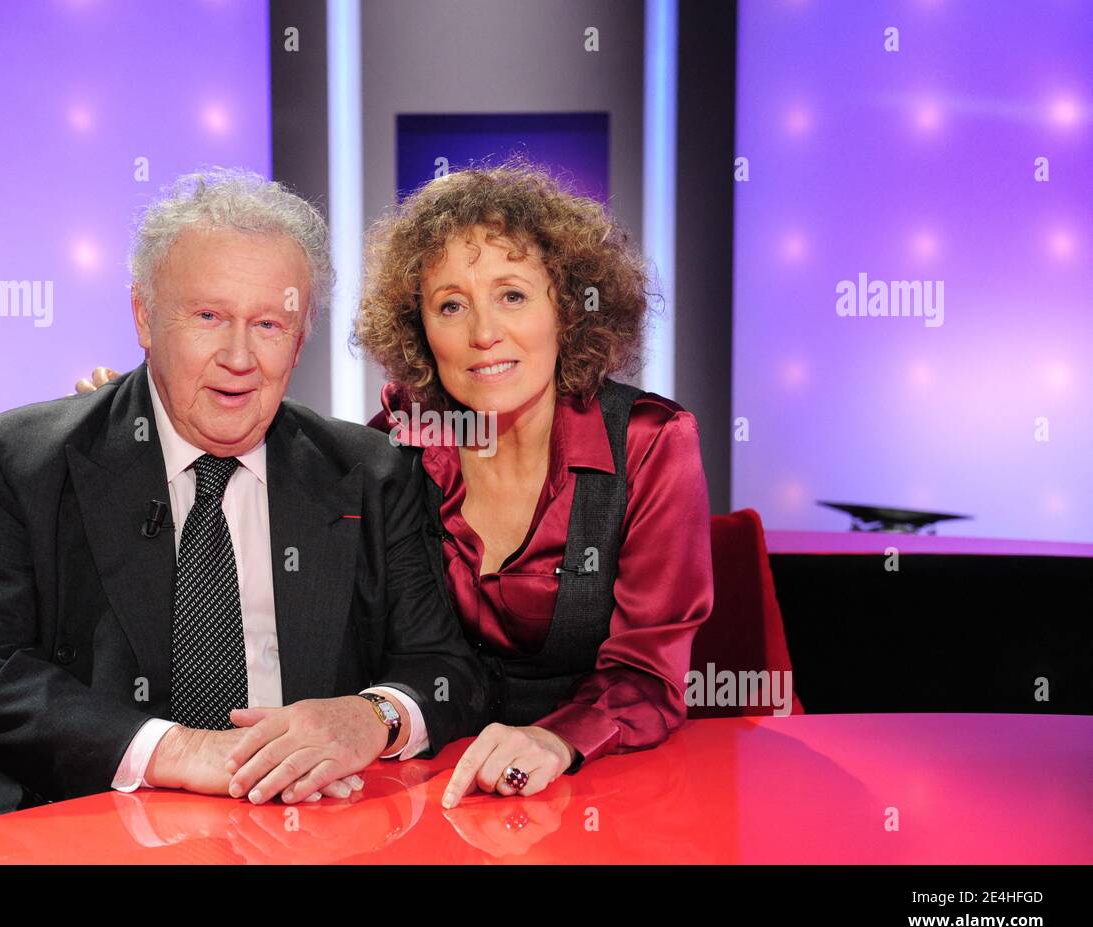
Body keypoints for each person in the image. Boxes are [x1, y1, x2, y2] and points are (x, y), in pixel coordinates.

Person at [0, 168, 487, 843]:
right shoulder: (26, 459)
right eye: (208, 316)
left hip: (296, 837)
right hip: (60, 828)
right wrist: (180, 749)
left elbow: (446, 670)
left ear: (301, 336)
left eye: (269, 324)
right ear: (143, 314)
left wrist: (373, 716)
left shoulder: (370, 472)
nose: (238, 356)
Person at [77, 161, 715, 808]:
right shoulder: (400, 444)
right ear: (419, 328)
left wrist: (554, 741)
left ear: (569, 308)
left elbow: (647, 675)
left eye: (513, 295)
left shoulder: (650, 442)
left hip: (596, 772)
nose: (484, 332)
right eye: (451, 305)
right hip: (424, 781)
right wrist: (139, 425)